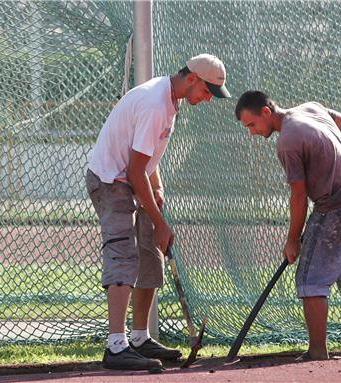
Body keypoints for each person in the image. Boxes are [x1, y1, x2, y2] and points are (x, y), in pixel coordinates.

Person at [86, 54, 230, 370]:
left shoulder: (170, 101)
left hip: (134, 179)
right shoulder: (154, 104)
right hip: (112, 181)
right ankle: (116, 346)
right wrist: (161, 221)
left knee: (150, 256)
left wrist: (158, 185)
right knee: (123, 256)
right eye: (207, 91)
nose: (207, 99)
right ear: (192, 78)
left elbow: (147, 158)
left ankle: (139, 337)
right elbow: (135, 170)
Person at [235, 91, 341, 361]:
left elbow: (298, 195)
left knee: (310, 280)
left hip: (335, 211)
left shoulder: (287, 142)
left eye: (252, 125)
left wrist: (293, 240)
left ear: (266, 112)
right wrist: (336, 165)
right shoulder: (312, 107)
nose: (252, 132)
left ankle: (317, 351)